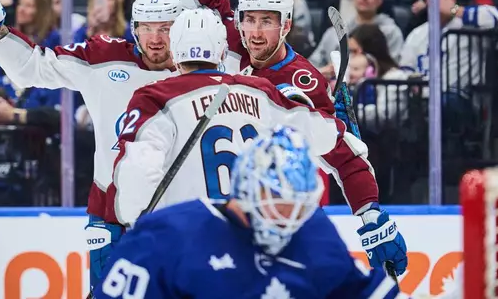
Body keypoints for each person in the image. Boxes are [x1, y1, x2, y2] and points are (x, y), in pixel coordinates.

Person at [173, 0, 408, 275]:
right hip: (218, 210)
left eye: (266, 22)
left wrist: (370, 215)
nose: (254, 32)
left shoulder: (304, 81)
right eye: (249, 20)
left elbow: (345, 158)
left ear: (285, 26)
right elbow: (212, 7)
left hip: (277, 216)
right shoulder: (233, 41)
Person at [0, 0, 181, 293]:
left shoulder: (201, 70)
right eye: (147, 27)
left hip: (177, 208)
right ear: (134, 27)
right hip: (112, 214)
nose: (156, 39)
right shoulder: (102, 56)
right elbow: (32, 68)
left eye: (165, 28)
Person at [98, 126, 404, 299]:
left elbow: (365, 292)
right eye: (277, 199)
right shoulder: (166, 236)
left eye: (298, 205)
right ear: (247, 187)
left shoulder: (314, 232)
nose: (288, 217)